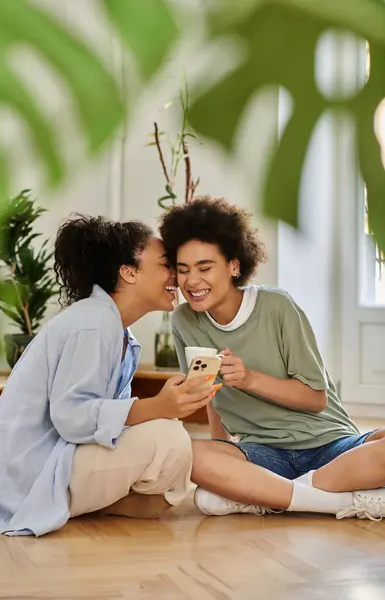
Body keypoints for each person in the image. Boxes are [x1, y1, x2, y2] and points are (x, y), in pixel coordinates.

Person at [0, 215, 218, 536]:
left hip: (60, 458)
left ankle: (88, 505)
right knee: (169, 436)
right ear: (129, 272)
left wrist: (164, 407)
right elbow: (71, 417)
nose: (176, 277)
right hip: (30, 474)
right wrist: (156, 408)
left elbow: (105, 424)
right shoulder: (93, 324)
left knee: (172, 452)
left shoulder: (117, 331)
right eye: (167, 264)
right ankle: (65, 504)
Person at [159, 196, 385, 521]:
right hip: (264, 454)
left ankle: (274, 494)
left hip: (330, 446)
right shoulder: (183, 320)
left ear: (234, 265)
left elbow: (316, 399)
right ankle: (335, 499)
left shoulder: (276, 307)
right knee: (190, 454)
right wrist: (224, 454)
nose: (192, 281)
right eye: (183, 270)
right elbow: (210, 395)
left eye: (205, 267)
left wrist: (250, 379)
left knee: (211, 499)